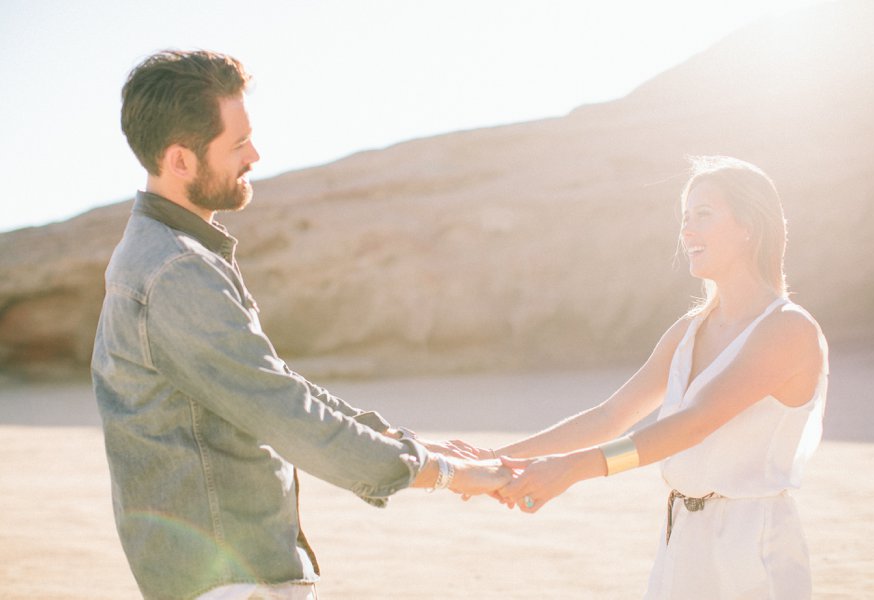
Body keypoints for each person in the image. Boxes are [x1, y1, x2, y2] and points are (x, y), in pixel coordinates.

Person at [92, 49, 508, 600]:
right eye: (238, 144)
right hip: (229, 580)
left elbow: (275, 384)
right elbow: (285, 413)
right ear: (181, 161)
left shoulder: (169, 254)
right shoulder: (176, 269)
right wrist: (442, 474)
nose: (255, 155)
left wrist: (408, 443)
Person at [460, 156, 828, 598]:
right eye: (685, 218)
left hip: (752, 545)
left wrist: (573, 468)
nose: (687, 231)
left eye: (704, 216)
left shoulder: (788, 328)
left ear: (750, 225)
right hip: (681, 535)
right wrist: (498, 459)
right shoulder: (688, 331)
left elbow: (692, 425)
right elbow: (611, 415)